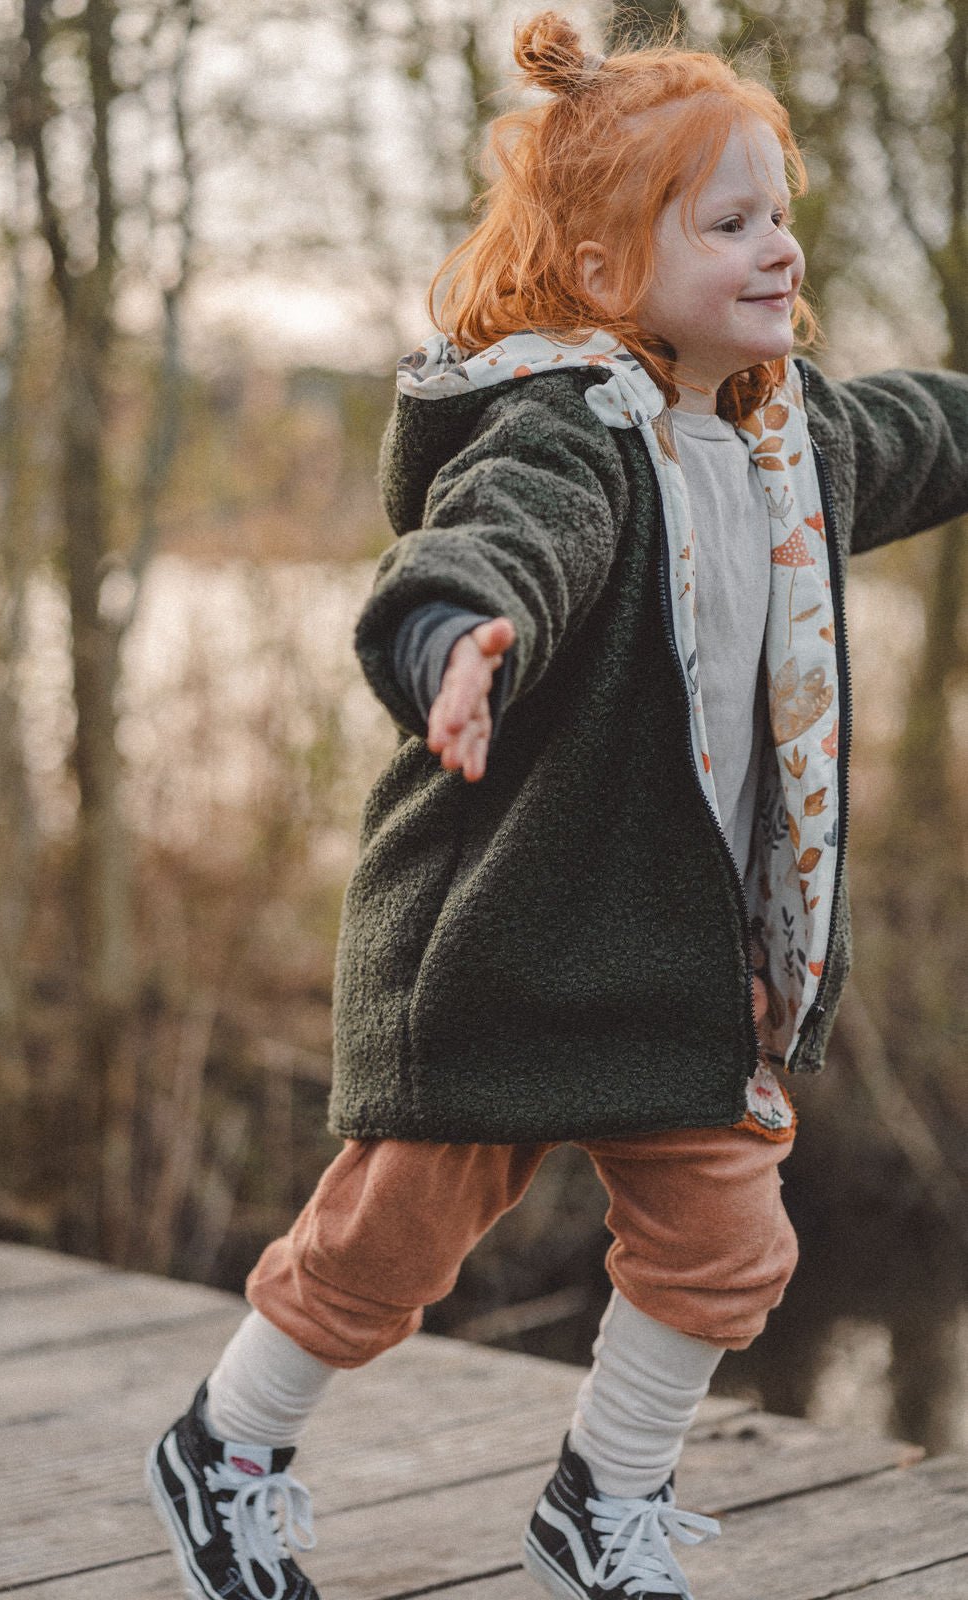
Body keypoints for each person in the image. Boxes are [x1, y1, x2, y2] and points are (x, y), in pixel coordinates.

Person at [147, 14, 968, 1600]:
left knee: (727, 1246)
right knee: (385, 1250)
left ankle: (603, 1499)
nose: (780, 247)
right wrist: (457, 642)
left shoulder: (796, 441)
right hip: (503, 943)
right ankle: (227, 1444)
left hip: (678, 966)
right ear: (604, 271)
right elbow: (492, 543)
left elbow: (931, 428)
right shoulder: (565, 433)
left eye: (781, 213)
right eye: (729, 222)